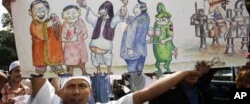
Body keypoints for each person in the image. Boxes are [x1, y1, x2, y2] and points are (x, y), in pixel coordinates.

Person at [28, 70, 196, 104]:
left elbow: (147, 93)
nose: (77, 91)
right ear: (60, 91)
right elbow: (35, 68)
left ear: (91, 91)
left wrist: (183, 72)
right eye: (71, 87)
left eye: (82, 86)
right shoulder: (49, 102)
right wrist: (15, 10)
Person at [149, 61, 215, 104]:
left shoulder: (202, 87)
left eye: (197, 69)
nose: (193, 72)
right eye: (188, 68)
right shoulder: (165, 90)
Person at [120, 0, 150, 73]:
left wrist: (130, 49)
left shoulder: (135, 21)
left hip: (134, 51)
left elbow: (131, 35)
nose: (134, 6)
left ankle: (134, 80)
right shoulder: (146, 17)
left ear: (141, 9)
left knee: (132, 70)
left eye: (137, 6)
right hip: (142, 50)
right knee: (139, 69)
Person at [61, 5, 90, 75]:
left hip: (81, 46)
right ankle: (70, 72)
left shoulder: (80, 21)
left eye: (74, 13)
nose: (71, 16)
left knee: (82, 59)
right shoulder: (65, 25)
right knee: (70, 61)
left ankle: (84, 71)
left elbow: (85, 32)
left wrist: (84, 34)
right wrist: (70, 40)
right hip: (70, 48)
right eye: (68, 14)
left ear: (79, 12)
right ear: (63, 15)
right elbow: (62, 37)